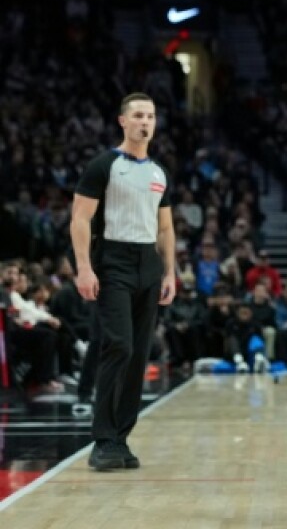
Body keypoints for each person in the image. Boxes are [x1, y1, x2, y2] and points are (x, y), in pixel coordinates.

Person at [70, 92, 176, 472]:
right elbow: (79, 219)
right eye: (137, 115)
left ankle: (121, 438)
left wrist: (169, 271)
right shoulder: (104, 165)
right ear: (123, 121)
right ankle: (102, 439)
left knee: (139, 352)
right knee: (119, 345)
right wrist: (84, 268)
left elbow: (165, 227)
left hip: (148, 261)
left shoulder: (159, 172)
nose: (145, 122)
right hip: (112, 259)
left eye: (150, 116)